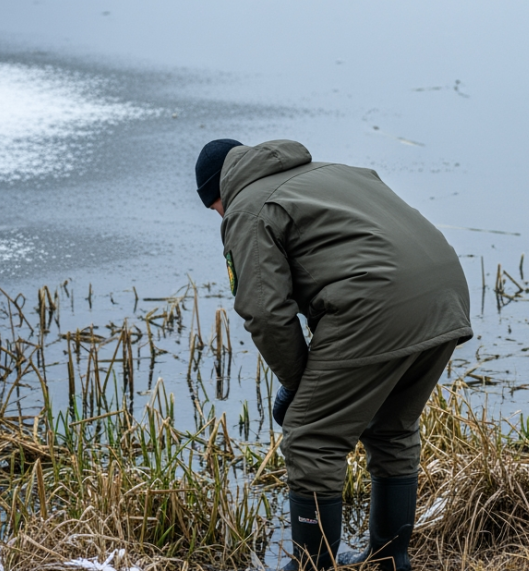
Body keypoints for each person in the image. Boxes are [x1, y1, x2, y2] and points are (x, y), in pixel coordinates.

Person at [195, 139, 473, 570]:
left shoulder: (246, 207)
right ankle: (390, 560)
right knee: (391, 428)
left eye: (213, 208)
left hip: (378, 303)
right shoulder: (334, 172)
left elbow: (265, 312)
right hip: (445, 295)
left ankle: (312, 564)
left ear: (217, 193)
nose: (218, 216)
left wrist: (297, 384)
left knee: (311, 438)